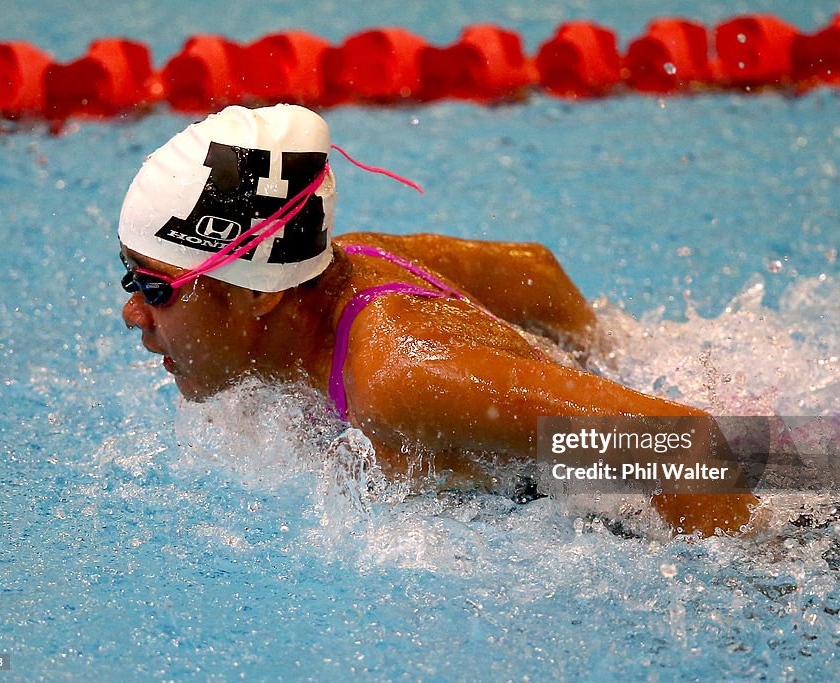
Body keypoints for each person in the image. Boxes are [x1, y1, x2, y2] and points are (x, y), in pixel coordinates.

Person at [119, 104, 759, 536]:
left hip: (808, 521)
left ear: (260, 294)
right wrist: (606, 360)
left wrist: (756, 584)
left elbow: (681, 448)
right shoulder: (343, 266)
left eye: (155, 287)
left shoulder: (398, 377)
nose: (132, 314)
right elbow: (534, 272)